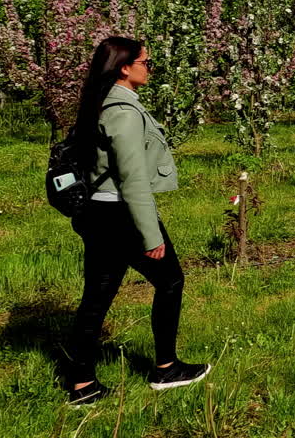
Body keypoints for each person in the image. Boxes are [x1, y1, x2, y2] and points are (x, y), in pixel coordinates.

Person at [65, 37, 210, 407]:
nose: (150, 67)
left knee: (96, 298)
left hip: (99, 212)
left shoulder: (101, 104)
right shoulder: (124, 113)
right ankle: (166, 368)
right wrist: (150, 235)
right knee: (171, 280)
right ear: (124, 68)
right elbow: (133, 180)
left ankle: (82, 384)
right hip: (121, 214)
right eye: (146, 62)